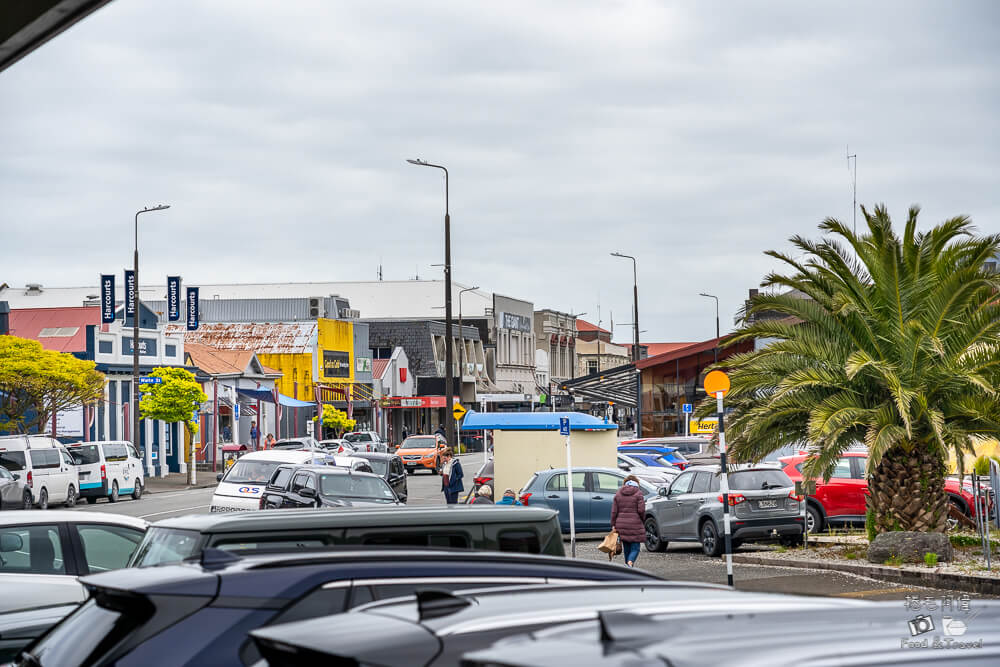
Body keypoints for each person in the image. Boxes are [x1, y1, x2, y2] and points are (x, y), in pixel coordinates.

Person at [611, 474, 646, 567]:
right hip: (635, 525)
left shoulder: (618, 493)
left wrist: (613, 524)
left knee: (626, 548)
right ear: (636, 483)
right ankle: (630, 562)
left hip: (621, 526)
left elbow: (614, 511)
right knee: (635, 548)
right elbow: (641, 510)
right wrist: (643, 520)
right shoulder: (638, 493)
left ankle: (628, 566)